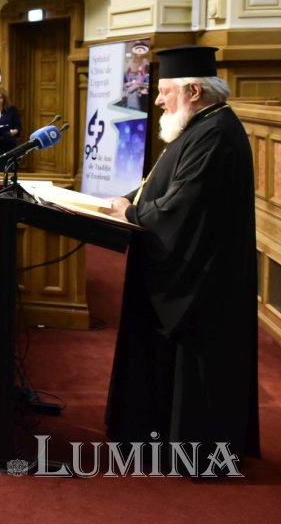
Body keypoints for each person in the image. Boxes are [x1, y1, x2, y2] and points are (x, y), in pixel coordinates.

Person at [105, 45, 259, 473]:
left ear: (193, 91)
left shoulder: (215, 134)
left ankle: (196, 452)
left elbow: (183, 208)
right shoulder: (201, 128)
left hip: (205, 285)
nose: (157, 99)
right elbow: (166, 186)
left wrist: (133, 213)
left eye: (166, 90)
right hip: (196, 272)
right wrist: (131, 202)